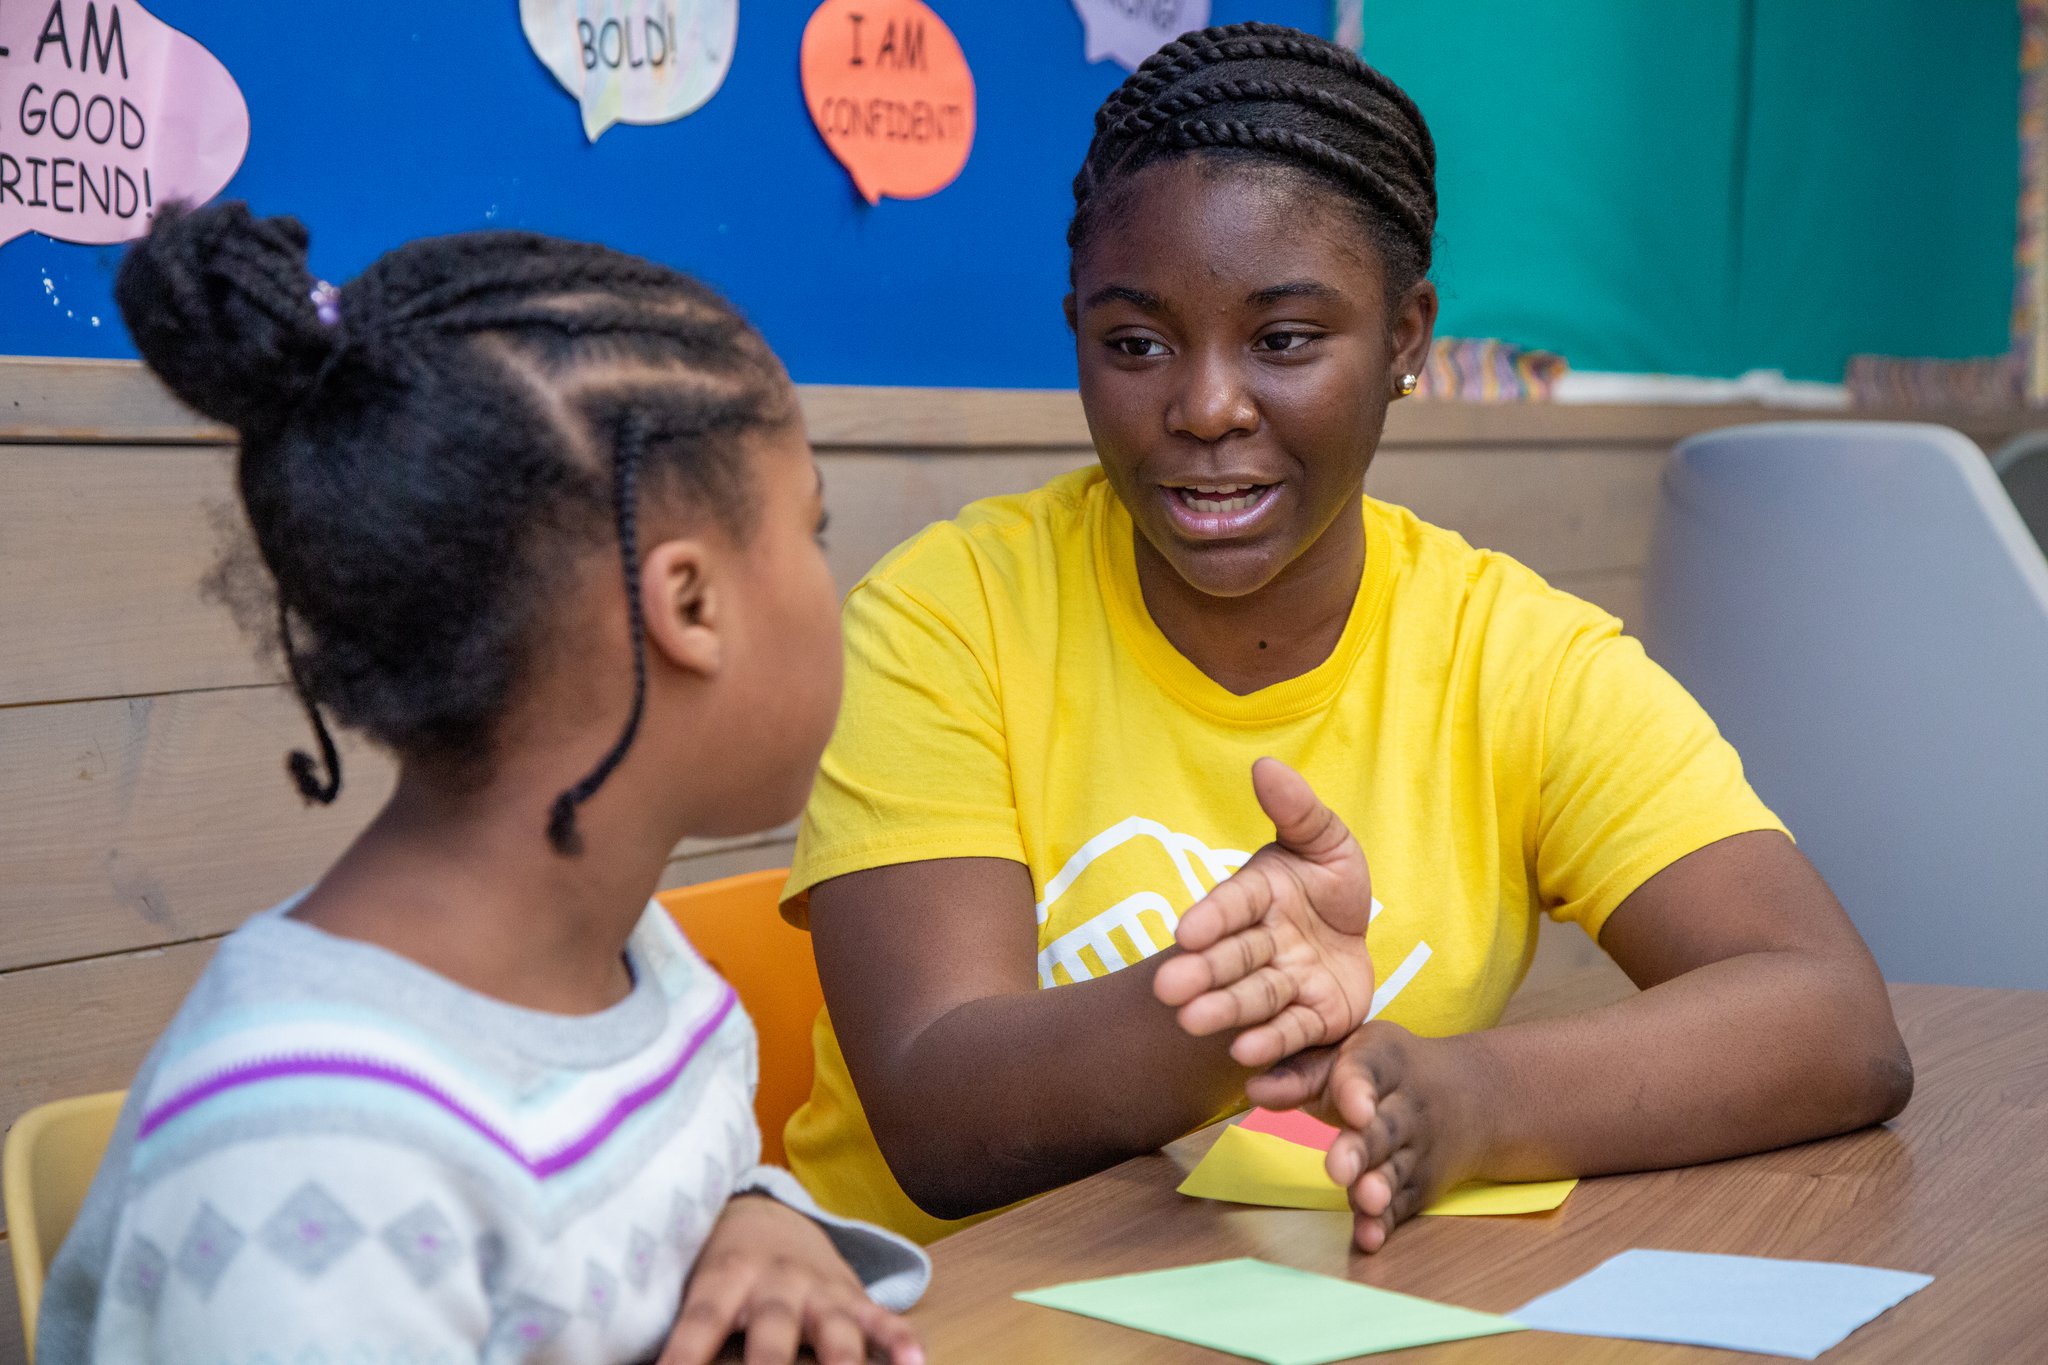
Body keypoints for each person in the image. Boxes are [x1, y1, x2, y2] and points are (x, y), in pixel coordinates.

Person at [781, 22, 1913, 1252]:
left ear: (1406, 341)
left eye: (1282, 340)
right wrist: (1236, 1014)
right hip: (918, 1316)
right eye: (1133, 344)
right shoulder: (947, 619)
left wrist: (1470, 1101)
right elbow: (936, 1118)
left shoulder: (1511, 654)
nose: (1204, 405)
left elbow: (1831, 1018)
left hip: (1296, 1305)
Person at [38, 202, 927, 1365]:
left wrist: (755, 1220)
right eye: (811, 529)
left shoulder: (628, 961)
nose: (831, 574)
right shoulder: (304, 1171)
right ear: (691, 606)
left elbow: (649, 1196)